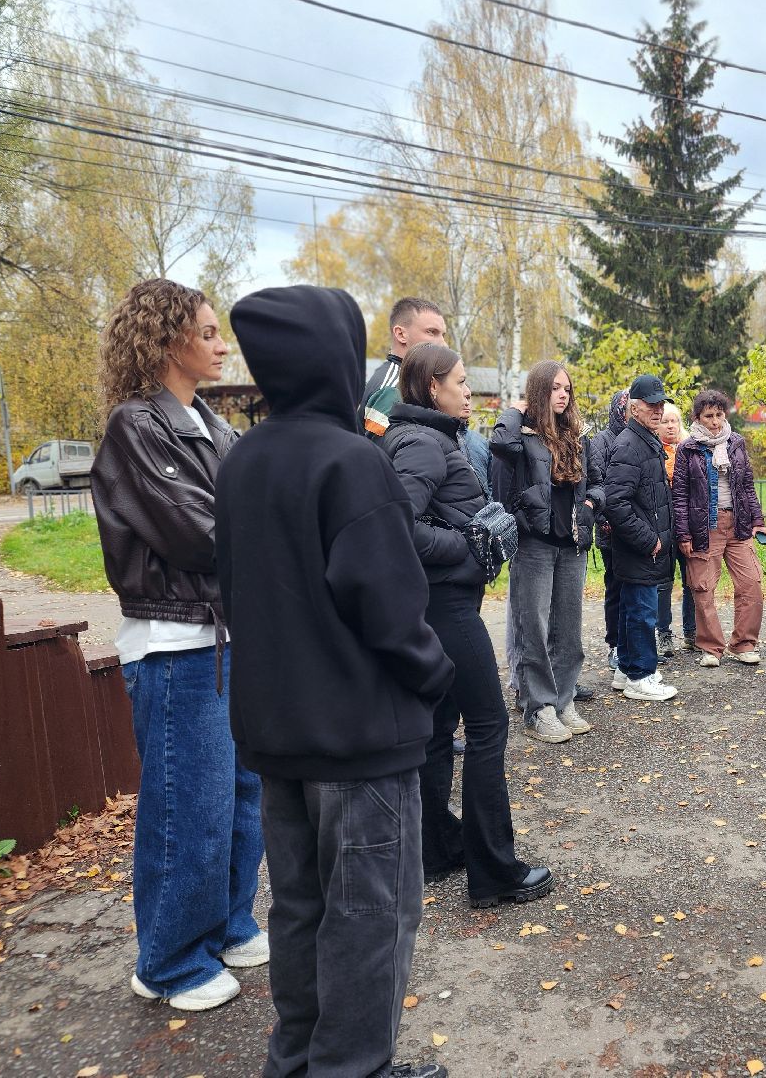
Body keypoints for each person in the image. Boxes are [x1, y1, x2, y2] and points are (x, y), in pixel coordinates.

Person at [216, 285, 454, 1078]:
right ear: (334, 358)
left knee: (299, 911)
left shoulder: (243, 460)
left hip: (278, 737)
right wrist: (435, 675)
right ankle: (353, 1067)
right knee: (369, 918)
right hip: (358, 740)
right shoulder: (352, 462)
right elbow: (390, 609)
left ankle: (300, 1061)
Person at [91, 278, 264, 1013]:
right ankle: (166, 961)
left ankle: (223, 925)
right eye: (208, 330)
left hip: (226, 639)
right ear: (167, 341)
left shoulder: (212, 427)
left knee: (237, 798)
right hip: (176, 644)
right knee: (185, 807)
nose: (222, 343)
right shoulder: (137, 426)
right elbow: (203, 533)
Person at [382, 342, 553, 904]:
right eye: (460, 382)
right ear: (433, 386)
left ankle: (437, 849)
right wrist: (462, 546)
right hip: (446, 608)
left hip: (440, 605)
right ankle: (493, 872)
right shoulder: (425, 445)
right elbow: (394, 527)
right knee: (488, 728)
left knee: (436, 732)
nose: (469, 394)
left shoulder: (424, 438)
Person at [492, 359, 603, 742]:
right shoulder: (520, 435)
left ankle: (563, 699)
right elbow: (499, 447)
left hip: (571, 543)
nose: (563, 394)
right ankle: (537, 707)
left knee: (568, 629)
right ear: (539, 391)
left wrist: (589, 507)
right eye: (555, 387)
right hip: (535, 543)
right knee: (532, 629)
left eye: (567, 388)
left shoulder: (575, 435)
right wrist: (515, 409)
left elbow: (597, 482)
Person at [673, 388, 766, 668]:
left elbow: (748, 487)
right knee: (703, 587)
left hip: (737, 524)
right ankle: (711, 648)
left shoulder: (736, 443)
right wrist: (683, 533)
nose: (714, 422)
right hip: (704, 526)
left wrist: (758, 522)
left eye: (718, 415)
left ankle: (744, 643)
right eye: (708, 416)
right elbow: (680, 493)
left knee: (751, 582)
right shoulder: (687, 448)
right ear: (698, 418)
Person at [605, 374, 678, 702]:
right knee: (641, 612)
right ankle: (641, 675)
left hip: (645, 549)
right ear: (634, 408)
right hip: (641, 549)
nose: (658, 409)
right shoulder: (630, 445)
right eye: (651, 404)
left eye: (661, 403)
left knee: (632, 610)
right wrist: (649, 540)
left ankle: (627, 670)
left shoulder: (645, 440)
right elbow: (615, 502)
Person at [362, 296, 448, 438]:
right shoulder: (392, 389)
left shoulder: (408, 381)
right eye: (431, 332)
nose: (444, 344)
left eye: (443, 335)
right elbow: (376, 454)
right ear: (401, 334)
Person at [589, 390, 630, 673]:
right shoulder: (602, 441)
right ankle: (615, 645)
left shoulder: (642, 438)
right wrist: (605, 520)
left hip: (637, 529)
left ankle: (634, 643)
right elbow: (598, 482)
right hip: (610, 530)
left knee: (637, 589)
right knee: (615, 587)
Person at [656, 401, 696, 657]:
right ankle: (664, 633)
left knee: (692, 581)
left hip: (688, 524)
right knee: (664, 582)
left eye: (674, 421)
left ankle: (692, 633)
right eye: (665, 421)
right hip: (661, 526)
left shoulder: (689, 449)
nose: (670, 425)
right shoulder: (652, 449)